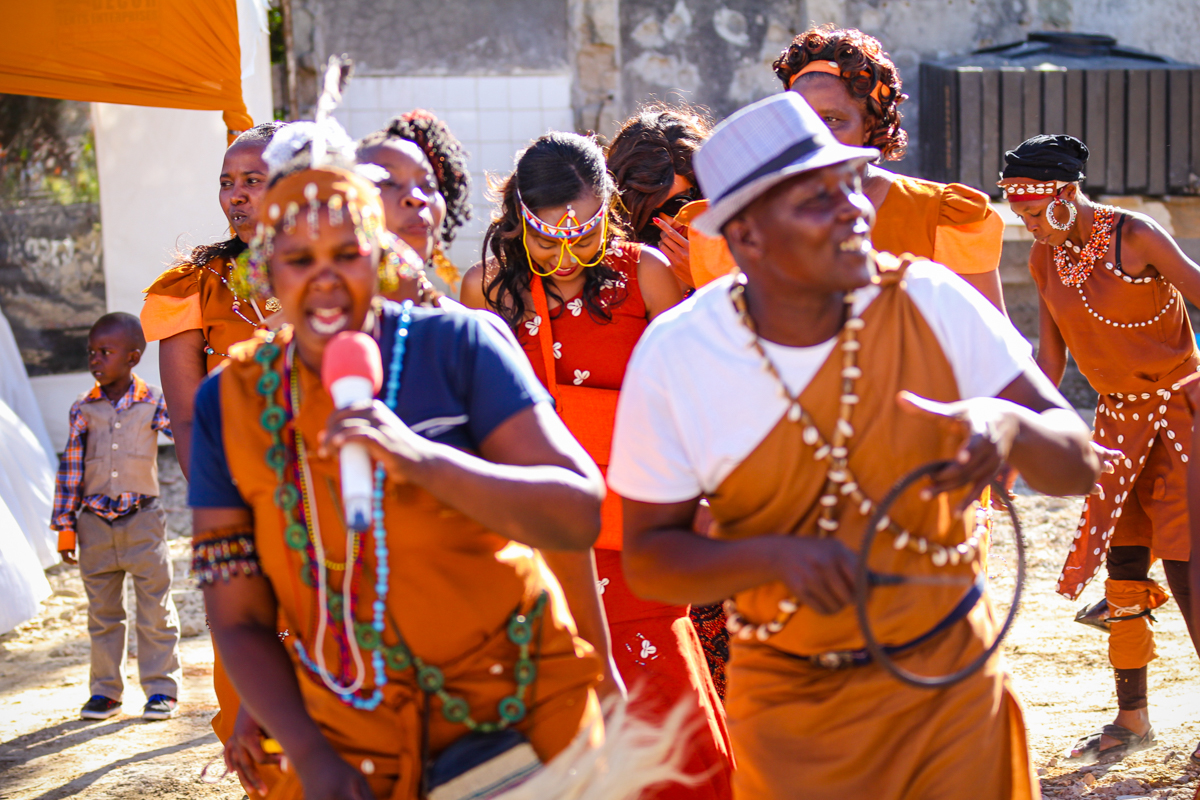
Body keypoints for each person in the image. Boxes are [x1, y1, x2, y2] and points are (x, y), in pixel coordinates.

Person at [609, 92, 1102, 800]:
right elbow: (651, 559)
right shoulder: (682, 352)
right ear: (745, 237)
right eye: (817, 199)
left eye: (851, 185)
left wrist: (1006, 425)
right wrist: (772, 557)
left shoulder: (931, 300)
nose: (854, 211)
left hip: (953, 700)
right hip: (791, 715)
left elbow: (1075, 462)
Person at [192, 149, 612, 800]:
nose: (325, 280)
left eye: (347, 254)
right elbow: (237, 612)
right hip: (341, 736)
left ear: (381, 256)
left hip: (512, 716)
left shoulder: (459, 344)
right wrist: (310, 754)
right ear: (267, 274)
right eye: (300, 260)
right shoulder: (231, 400)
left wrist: (420, 457)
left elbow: (577, 510)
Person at [461, 131, 732, 800]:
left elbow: (692, 395)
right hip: (532, 532)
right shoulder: (486, 289)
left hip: (637, 527)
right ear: (516, 217)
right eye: (544, 237)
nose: (562, 255)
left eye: (581, 236)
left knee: (664, 700)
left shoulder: (646, 273)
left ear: (607, 206)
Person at [1000, 134, 1200, 762]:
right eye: (1020, 214)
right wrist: (1022, 435)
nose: (1028, 226)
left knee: (1190, 572)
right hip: (1116, 428)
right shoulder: (1045, 260)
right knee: (1124, 567)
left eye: (1034, 213)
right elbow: (1049, 364)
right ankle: (1132, 718)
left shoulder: (1133, 235)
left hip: (1182, 420)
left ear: (1065, 195)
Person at [775, 26, 1007, 312]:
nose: (810, 132)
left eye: (832, 119)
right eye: (798, 116)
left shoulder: (939, 216)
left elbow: (989, 343)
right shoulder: (755, 217)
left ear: (870, 126)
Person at [51, 312, 181, 722]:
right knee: (103, 614)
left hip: (144, 521)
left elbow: (186, 432)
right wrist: (66, 530)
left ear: (133, 357)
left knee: (155, 608)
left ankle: (161, 688)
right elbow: (70, 471)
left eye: (105, 352)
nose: (95, 360)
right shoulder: (82, 409)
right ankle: (105, 692)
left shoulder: (155, 401)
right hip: (94, 525)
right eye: (91, 352)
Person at [141, 121, 285, 479]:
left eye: (252, 181)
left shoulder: (342, 277)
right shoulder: (192, 286)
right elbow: (189, 423)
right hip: (238, 492)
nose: (235, 196)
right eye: (226, 183)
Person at [357, 109, 471, 298]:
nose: (417, 198)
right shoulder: (307, 325)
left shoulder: (470, 327)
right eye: (388, 182)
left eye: (428, 185)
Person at [607, 105, 711, 293]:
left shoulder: (743, 239)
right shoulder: (613, 264)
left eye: (678, 205)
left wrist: (704, 278)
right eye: (649, 216)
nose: (668, 221)